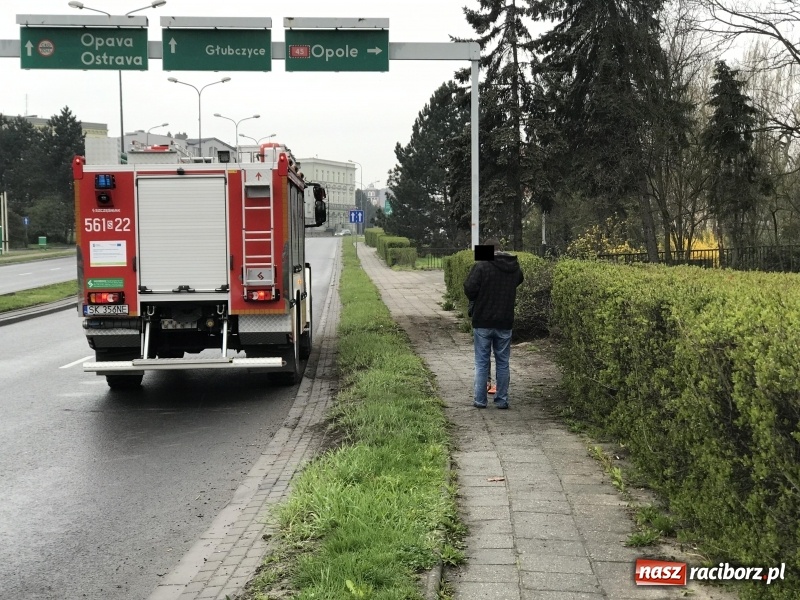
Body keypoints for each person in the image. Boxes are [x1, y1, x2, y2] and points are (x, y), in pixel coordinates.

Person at [463, 238, 524, 409]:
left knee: (482, 362)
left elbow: (469, 288)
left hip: (483, 320)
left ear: (487, 251)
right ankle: (502, 399)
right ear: (501, 249)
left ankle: (480, 400)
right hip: (504, 321)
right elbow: (519, 279)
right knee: (503, 362)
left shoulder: (482, 266)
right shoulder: (513, 267)